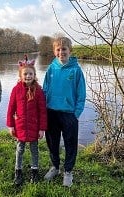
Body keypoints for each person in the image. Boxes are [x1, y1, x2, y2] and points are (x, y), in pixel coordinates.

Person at [42, 36, 86, 187]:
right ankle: (55, 167)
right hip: (51, 112)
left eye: (64, 49)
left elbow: (81, 94)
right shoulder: (51, 68)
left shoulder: (76, 70)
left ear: (70, 50)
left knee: (70, 143)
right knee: (52, 142)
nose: (61, 52)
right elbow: (45, 89)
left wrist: (77, 113)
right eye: (58, 49)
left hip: (69, 114)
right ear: (55, 52)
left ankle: (68, 171)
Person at [6, 56, 47, 185]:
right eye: (25, 74)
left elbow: (42, 111)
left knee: (34, 149)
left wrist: (42, 128)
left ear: (34, 75)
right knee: (20, 149)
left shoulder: (39, 90)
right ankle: (18, 171)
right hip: (21, 126)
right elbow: (10, 109)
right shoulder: (16, 90)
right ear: (21, 75)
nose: (28, 76)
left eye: (30, 74)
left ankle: (34, 171)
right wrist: (10, 125)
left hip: (34, 127)